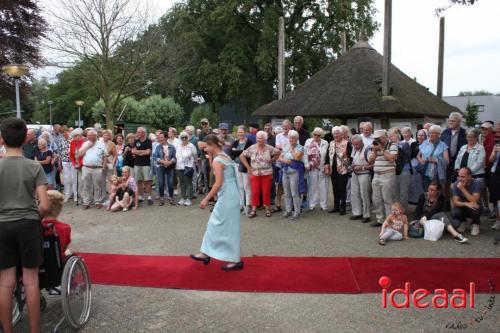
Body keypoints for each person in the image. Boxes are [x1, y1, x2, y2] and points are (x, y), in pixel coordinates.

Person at [0, 118, 49, 333]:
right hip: (28, 224)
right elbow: (46, 206)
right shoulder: (33, 166)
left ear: (2, 139)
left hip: (2, 226)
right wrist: (32, 214)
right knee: (31, 280)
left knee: (5, 282)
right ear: (25, 140)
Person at [190, 134, 243, 271]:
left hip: (226, 195)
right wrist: (211, 157)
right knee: (226, 226)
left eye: (206, 147)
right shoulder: (225, 156)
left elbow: (218, 183)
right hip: (232, 193)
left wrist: (206, 198)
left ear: (212, 145)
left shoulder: (219, 160)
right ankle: (207, 253)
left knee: (217, 224)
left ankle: (228, 258)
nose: (205, 149)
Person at [240, 131, 281, 218]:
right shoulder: (252, 148)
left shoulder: (269, 148)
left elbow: (279, 153)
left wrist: (273, 159)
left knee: (266, 192)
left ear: (265, 139)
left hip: (267, 173)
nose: (259, 140)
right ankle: (254, 210)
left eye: (261, 138)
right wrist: (248, 167)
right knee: (255, 192)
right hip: (255, 173)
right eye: (258, 138)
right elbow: (242, 156)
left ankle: (267, 209)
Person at [369, 130, 398, 227]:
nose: (377, 140)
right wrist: (374, 151)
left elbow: (391, 158)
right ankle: (380, 219)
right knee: (376, 199)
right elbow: (370, 160)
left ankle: (390, 220)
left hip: (387, 175)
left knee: (388, 199)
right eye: (376, 138)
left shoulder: (392, 145)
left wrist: (381, 149)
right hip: (376, 175)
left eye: (379, 138)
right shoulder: (374, 146)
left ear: (385, 137)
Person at [441, 112, 467, 208]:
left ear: (459, 122)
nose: (451, 122)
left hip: (460, 163)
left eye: (453, 121)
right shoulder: (445, 132)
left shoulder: (465, 133)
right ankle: (447, 202)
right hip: (447, 162)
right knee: (446, 183)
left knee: (458, 183)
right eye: (450, 120)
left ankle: (458, 203)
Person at [278, 130, 305, 220]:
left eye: (293, 138)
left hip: (294, 172)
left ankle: (297, 211)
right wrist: (285, 160)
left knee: (294, 193)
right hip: (285, 171)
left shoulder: (300, 147)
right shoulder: (285, 146)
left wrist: (291, 150)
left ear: (297, 139)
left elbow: (297, 158)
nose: (291, 139)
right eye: (290, 138)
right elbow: (280, 157)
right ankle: (289, 210)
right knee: (286, 193)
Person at [454, 129, 486, 204]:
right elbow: (458, 159)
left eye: (471, 137)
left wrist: (468, 172)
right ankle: (465, 208)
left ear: (476, 138)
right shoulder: (463, 147)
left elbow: (480, 162)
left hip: (476, 175)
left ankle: (484, 208)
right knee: (463, 192)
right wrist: (457, 169)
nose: (469, 139)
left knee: (478, 194)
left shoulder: (480, 148)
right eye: (468, 137)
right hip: (462, 175)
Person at [79, 130, 106, 209]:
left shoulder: (102, 144)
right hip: (86, 168)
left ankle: (97, 201)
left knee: (97, 186)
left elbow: (105, 156)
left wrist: (103, 167)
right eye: (89, 135)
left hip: (97, 168)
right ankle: (86, 202)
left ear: (96, 136)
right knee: (86, 186)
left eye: (92, 135)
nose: (90, 137)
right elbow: (79, 154)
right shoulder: (85, 144)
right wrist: (87, 147)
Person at [304, 128, 330, 211]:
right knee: (312, 186)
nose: (316, 136)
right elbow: (304, 153)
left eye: (318, 135)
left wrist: (326, 166)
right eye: (314, 134)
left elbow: (327, 155)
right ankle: (312, 204)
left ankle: (324, 205)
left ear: (321, 136)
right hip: (311, 167)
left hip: (321, 167)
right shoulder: (308, 141)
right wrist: (306, 163)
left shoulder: (325, 143)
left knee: (323, 186)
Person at [416, 125, 449, 191]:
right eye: (430, 132)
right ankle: (427, 201)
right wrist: (420, 160)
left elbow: (447, 161)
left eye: (433, 133)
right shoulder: (425, 143)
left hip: (436, 174)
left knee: (436, 192)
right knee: (426, 191)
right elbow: (418, 155)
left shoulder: (443, 145)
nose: (431, 134)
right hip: (425, 172)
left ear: (438, 134)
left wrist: (435, 160)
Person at [451, 167, 482, 236]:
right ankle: (462, 222)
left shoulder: (476, 183)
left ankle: (475, 223)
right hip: (464, 206)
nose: (460, 179)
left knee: (475, 208)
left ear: (469, 177)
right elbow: (455, 202)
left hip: (474, 206)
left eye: (463, 177)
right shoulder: (456, 184)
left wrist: (463, 189)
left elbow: (474, 200)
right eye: (458, 176)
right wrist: (466, 203)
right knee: (454, 212)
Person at [328, 126, 352, 215]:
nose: (336, 135)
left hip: (343, 168)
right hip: (333, 168)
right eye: (334, 134)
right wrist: (327, 165)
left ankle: (343, 208)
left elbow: (351, 156)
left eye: (337, 133)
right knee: (335, 188)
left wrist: (346, 160)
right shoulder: (331, 143)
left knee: (342, 188)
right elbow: (328, 155)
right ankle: (336, 206)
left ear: (341, 134)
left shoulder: (347, 143)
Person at [350, 134, 373, 222]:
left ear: (361, 142)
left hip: (365, 174)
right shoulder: (354, 148)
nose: (355, 146)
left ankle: (366, 215)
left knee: (365, 194)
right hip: (355, 173)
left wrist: (361, 167)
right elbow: (353, 160)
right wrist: (351, 164)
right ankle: (357, 213)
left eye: (356, 144)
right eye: (353, 144)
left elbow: (372, 165)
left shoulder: (368, 149)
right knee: (354, 193)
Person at [42, 190, 73, 256]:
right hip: (57, 261)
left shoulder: (35, 226)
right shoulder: (65, 228)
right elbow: (64, 248)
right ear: (60, 208)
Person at [231, 126, 253, 215]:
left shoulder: (249, 142)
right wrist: (240, 151)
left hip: (245, 166)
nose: (240, 134)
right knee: (239, 186)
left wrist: (237, 151)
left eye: (242, 132)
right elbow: (232, 152)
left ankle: (248, 205)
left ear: (245, 132)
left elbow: (248, 153)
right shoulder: (235, 142)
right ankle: (241, 204)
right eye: (239, 132)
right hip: (236, 165)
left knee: (246, 186)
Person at [153, 131, 177, 205]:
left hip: (170, 166)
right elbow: (155, 157)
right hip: (160, 166)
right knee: (161, 182)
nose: (160, 139)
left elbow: (175, 157)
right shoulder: (158, 147)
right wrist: (162, 161)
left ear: (166, 138)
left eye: (162, 137)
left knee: (170, 183)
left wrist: (170, 162)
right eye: (159, 137)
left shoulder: (172, 147)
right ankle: (162, 198)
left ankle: (171, 198)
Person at [273, 119, 292, 213]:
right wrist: (287, 149)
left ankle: (291, 205)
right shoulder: (279, 136)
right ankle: (278, 205)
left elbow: (296, 148)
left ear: (290, 127)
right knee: (279, 185)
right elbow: (277, 149)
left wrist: (283, 149)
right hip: (280, 164)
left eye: (286, 126)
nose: (284, 127)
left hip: (291, 164)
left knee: (291, 185)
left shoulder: (294, 135)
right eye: (283, 126)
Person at [175, 132, 198, 206]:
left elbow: (195, 156)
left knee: (188, 183)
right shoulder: (178, 146)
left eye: (186, 137)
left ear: (188, 138)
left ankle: (189, 198)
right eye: (182, 137)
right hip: (179, 167)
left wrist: (193, 165)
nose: (184, 139)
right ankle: (183, 197)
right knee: (181, 183)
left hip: (188, 167)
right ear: (180, 138)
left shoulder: (191, 146)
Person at [132, 127, 153, 205]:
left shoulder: (149, 141)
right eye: (137, 132)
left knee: (147, 181)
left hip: (146, 164)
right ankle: (141, 196)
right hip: (137, 164)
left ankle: (149, 197)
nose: (138, 133)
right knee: (139, 181)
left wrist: (138, 152)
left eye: (139, 132)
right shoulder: (136, 141)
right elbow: (133, 151)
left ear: (144, 133)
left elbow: (148, 152)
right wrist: (142, 152)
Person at [408, 129, 427, 204]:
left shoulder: (428, 144)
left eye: (422, 135)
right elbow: (411, 155)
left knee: (423, 184)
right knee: (414, 184)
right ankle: (415, 200)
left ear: (425, 136)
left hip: (424, 165)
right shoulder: (413, 144)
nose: (420, 137)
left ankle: (424, 201)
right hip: (414, 165)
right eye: (419, 135)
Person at [69, 128, 85, 203]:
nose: (77, 137)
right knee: (78, 181)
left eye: (78, 136)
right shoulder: (72, 142)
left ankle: (85, 197)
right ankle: (80, 196)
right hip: (76, 164)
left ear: (81, 136)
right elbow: (71, 155)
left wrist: (80, 164)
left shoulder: (83, 142)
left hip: (83, 164)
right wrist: (75, 164)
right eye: (75, 136)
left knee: (83, 181)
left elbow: (85, 155)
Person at [58, 128, 74, 202]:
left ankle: (75, 194)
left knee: (73, 177)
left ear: (68, 132)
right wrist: (59, 163)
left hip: (72, 161)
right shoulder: (60, 140)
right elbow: (59, 152)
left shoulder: (73, 139)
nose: (65, 133)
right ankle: (67, 194)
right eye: (63, 132)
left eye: (66, 132)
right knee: (66, 178)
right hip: (64, 161)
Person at [101, 129, 117, 200]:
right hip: (100, 164)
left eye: (107, 135)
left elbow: (115, 155)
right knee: (102, 180)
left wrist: (113, 163)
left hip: (109, 163)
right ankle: (103, 196)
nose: (106, 136)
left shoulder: (112, 144)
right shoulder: (99, 143)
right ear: (102, 136)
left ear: (109, 136)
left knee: (111, 180)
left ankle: (112, 195)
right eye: (104, 135)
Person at [489, 127, 500, 230]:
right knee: (496, 199)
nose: (497, 134)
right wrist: (495, 153)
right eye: (496, 132)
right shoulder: (497, 144)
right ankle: (498, 220)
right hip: (495, 173)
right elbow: (491, 160)